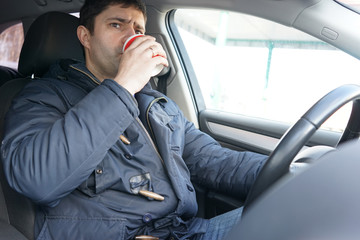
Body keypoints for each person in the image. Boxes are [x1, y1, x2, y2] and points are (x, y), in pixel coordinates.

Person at [1, 0, 267, 239]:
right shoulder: (41, 96)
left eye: (138, 30)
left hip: (182, 231)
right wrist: (124, 84)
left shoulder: (157, 105)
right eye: (117, 24)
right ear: (85, 36)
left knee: (293, 207)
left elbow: (214, 160)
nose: (132, 37)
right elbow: (36, 179)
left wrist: (283, 169)